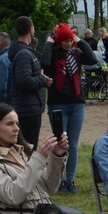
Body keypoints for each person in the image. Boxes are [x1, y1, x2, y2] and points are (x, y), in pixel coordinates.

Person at [0, 102, 67, 214]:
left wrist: (57, 155)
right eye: (10, 124)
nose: (16, 128)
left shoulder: (22, 153)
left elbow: (50, 186)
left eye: (17, 123)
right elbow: (13, 196)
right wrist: (38, 158)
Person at [41, 23, 97, 191]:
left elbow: (92, 59)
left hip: (77, 104)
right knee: (60, 143)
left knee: (72, 144)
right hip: (58, 103)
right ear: (58, 41)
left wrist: (79, 40)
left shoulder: (76, 53)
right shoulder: (52, 54)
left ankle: (70, 180)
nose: (68, 44)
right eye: (65, 41)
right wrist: (49, 43)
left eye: (70, 40)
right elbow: (44, 63)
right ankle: (58, 180)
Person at [9, 17, 51, 148]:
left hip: (30, 108)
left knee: (25, 147)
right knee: (27, 149)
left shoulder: (26, 51)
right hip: (27, 110)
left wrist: (41, 79)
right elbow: (24, 81)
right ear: (31, 29)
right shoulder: (24, 54)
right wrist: (42, 79)